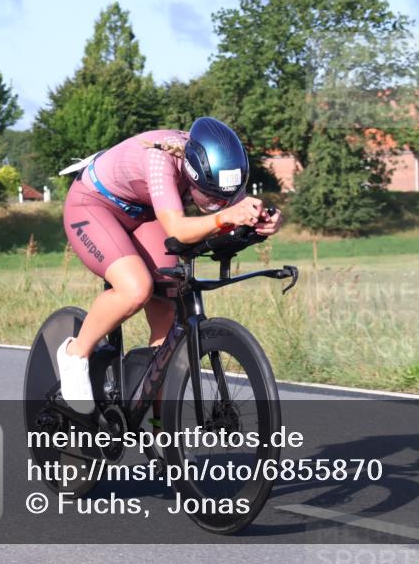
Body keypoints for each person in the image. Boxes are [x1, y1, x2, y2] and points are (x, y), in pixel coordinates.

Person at [57, 117, 282, 412]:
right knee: (136, 288)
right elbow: (178, 229)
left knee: (169, 300)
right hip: (93, 204)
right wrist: (225, 217)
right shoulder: (159, 158)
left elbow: (234, 210)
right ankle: (76, 354)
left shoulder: (217, 169)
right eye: (211, 197)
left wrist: (265, 221)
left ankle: (156, 423)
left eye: (222, 198)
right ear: (191, 171)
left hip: (144, 213)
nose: (217, 203)